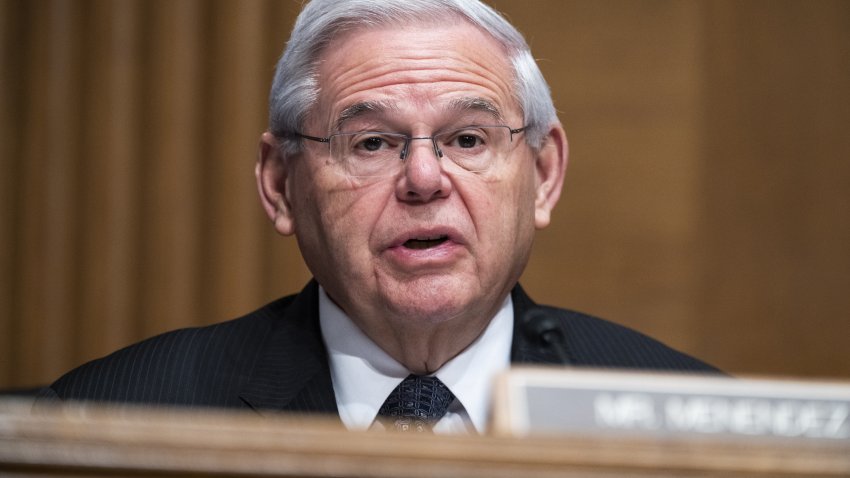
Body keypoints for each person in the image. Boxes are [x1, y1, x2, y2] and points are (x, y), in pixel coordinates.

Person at [37, 0, 716, 433]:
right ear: (280, 185)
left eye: (468, 140)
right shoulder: (116, 419)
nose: (424, 179)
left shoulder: (692, 424)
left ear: (543, 174)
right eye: (370, 143)